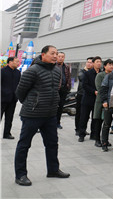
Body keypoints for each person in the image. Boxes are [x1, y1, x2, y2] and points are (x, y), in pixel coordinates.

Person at [14, 45, 70, 186]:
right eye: (52, 53)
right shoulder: (33, 71)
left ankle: (53, 170)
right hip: (32, 114)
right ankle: (20, 175)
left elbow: (56, 89)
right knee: (24, 145)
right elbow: (20, 92)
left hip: (50, 114)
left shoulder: (57, 71)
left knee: (52, 143)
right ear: (43, 55)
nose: (55, 56)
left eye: (57, 53)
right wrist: (32, 103)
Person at [78, 56, 102, 142]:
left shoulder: (101, 73)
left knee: (95, 118)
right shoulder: (87, 73)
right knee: (84, 118)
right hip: (87, 99)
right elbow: (85, 85)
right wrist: (94, 91)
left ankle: (94, 135)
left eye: (100, 62)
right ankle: (81, 134)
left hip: (97, 100)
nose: (99, 63)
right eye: (97, 62)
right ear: (93, 63)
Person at [92, 59, 113, 147]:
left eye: (112, 65)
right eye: (109, 65)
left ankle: (105, 140)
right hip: (100, 101)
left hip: (110, 101)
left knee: (107, 122)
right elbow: (99, 88)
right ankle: (97, 139)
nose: (111, 66)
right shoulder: (100, 75)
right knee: (98, 121)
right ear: (104, 66)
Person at [2, 57, 21, 139]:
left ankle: (6, 133)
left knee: (9, 118)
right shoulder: (2, 71)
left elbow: (19, 85)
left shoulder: (18, 72)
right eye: (16, 62)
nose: (18, 63)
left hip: (13, 99)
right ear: (10, 62)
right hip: (2, 99)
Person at [75, 57, 92, 135]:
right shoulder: (82, 71)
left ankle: (83, 129)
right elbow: (81, 78)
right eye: (88, 62)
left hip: (89, 95)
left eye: (91, 62)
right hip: (81, 94)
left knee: (86, 115)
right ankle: (77, 129)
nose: (89, 64)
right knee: (79, 113)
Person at [55, 52, 71, 129]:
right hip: (55, 89)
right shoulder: (53, 66)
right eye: (59, 56)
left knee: (61, 106)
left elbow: (69, 77)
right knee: (54, 106)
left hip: (64, 89)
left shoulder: (66, 66)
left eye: (62, 57)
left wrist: (68, 87)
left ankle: (58, 122)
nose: (61, 58)